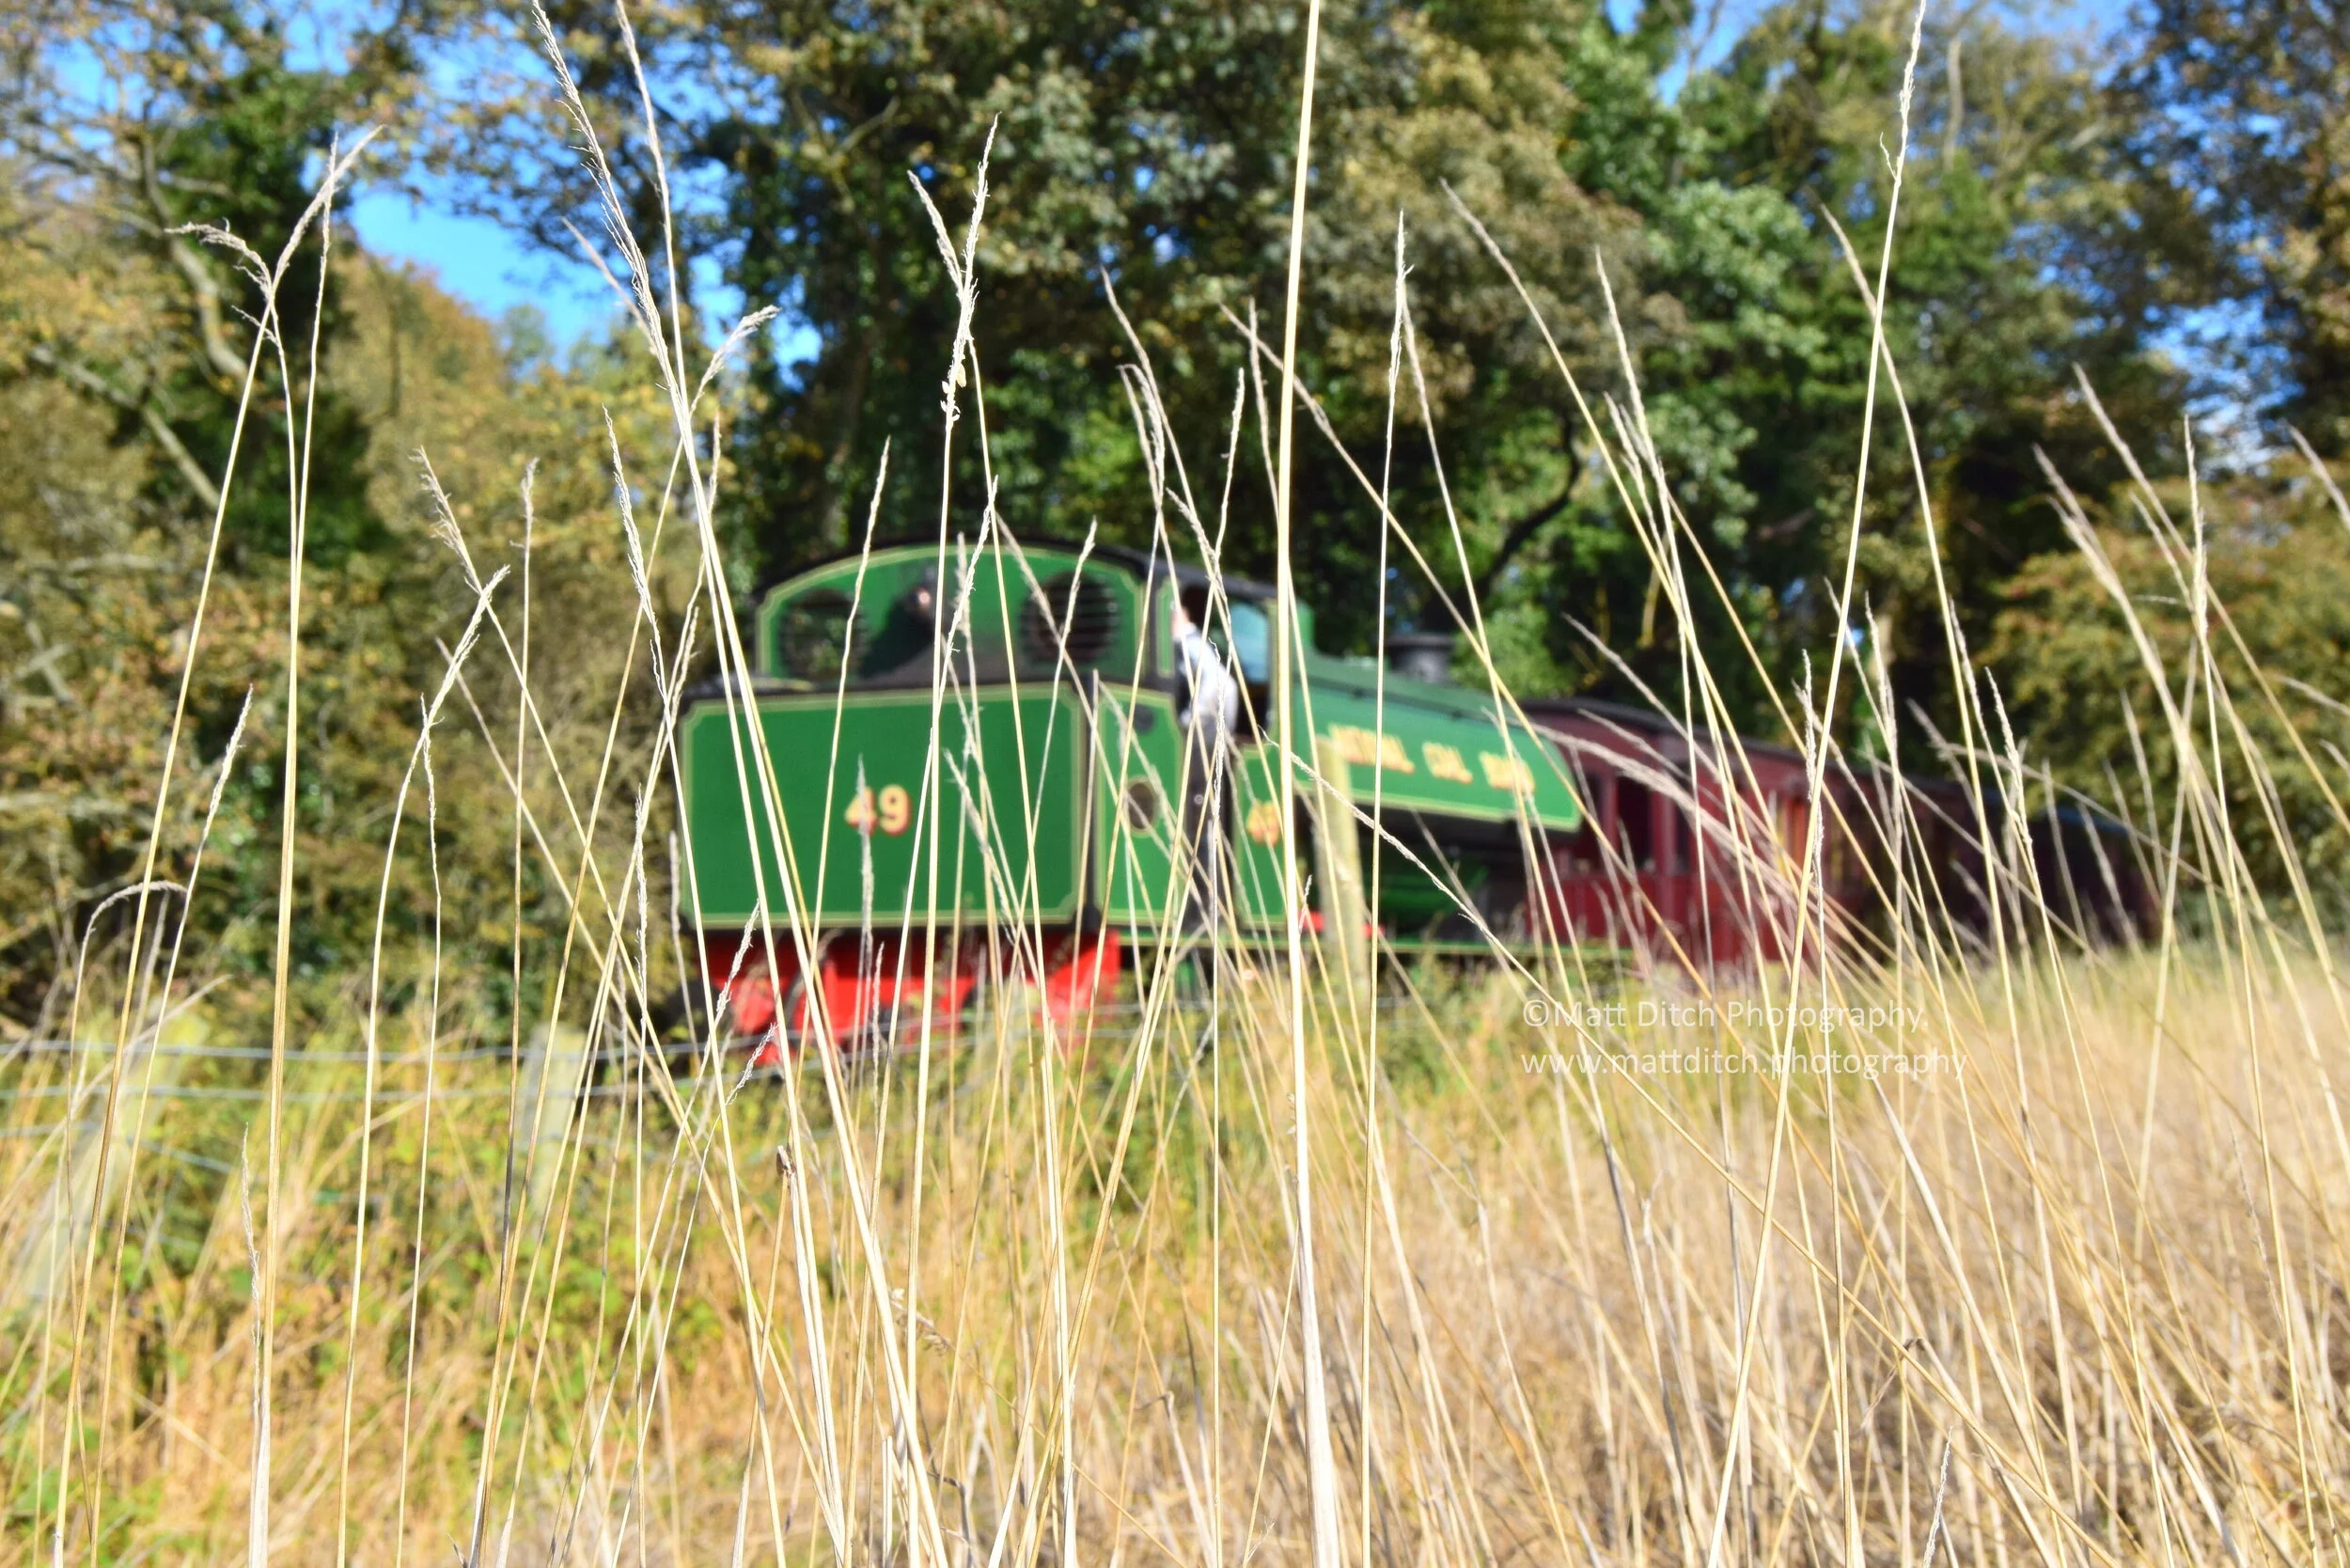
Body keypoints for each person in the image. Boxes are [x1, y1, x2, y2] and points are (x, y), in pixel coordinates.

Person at [1172, 587, 1239, 933]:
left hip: (1202, 743)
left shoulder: (1192, 645)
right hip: (1203, 740)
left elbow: (1219, 684)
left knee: (1201, 819)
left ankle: (1207, 908)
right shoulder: (1186, 646)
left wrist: (1187, 722)